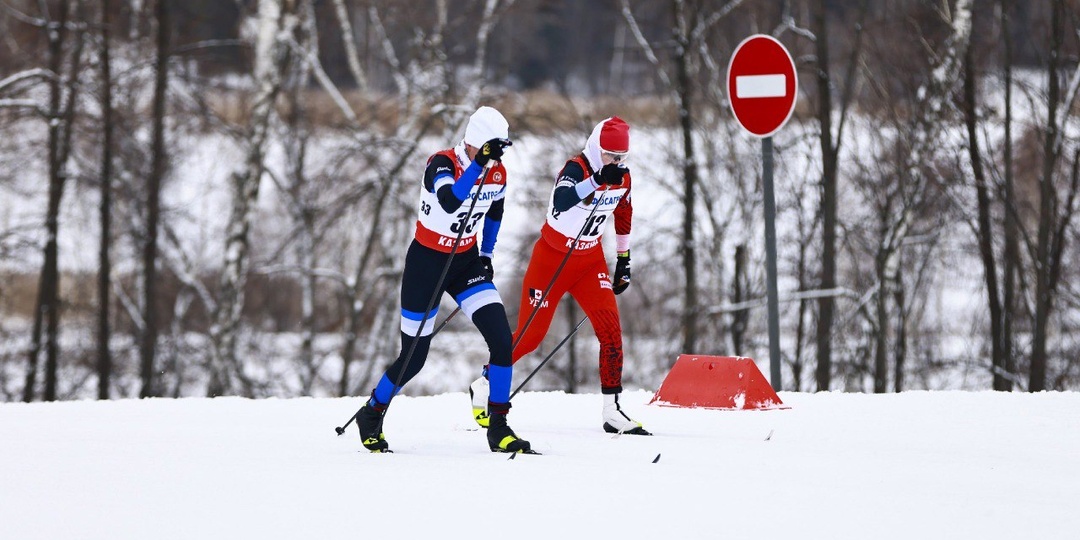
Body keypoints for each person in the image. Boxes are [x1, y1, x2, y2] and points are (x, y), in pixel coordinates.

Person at [354, 106, 534, 454]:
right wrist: (479, 164)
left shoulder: (496, 173)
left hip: (465, 262)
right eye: (491, 149)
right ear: (476, 144)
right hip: (427, 262)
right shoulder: (441, 163)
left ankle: (498, 426)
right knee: (414, 357)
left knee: (501, 339)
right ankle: (372, 411)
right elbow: (450, 201)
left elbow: (495, 212)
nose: (497, 158)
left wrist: (486, 254)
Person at [470, 116, 650, 436]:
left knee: (611, 330)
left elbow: (624, 215)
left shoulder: (622, 177)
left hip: (589, 262)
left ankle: (612, 410)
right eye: (610, 155)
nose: (616, 162)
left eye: (622, 157)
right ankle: (486, 382)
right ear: (596, 148)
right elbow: (562, 201)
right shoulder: (576, 169)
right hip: (552, 259)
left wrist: (624, 259)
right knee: (531, 336)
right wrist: (596, 179)